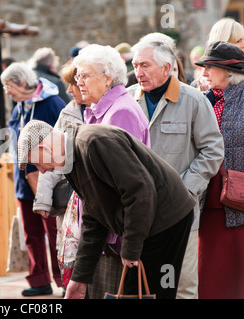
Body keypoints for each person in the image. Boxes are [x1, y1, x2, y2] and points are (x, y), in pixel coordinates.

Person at [17, 120, 196, 299]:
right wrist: (80, 278)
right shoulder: (75, 157)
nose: (41, 171)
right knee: (142, 291)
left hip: (169, 217)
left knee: (152, 290)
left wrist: (131, 247)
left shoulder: (93, 143)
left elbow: (140, 191)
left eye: (37, 163)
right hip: (155, 217)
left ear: (44, 149)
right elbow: (94, 215)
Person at [128, 40, 224, 299]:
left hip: (180, 214)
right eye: (136, 65)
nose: (138, 72)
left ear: (166, 67)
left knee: (180, 286)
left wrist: (184, 189)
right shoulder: (128, 100)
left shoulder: (193, 100)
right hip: (137, 214)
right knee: (143, 285)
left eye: (145, 65)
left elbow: (213, 151)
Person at [69, 43, 150, 298]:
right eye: (77, 75)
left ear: (106, 79)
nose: (78, 82)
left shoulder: (121, 112)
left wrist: (127, 244)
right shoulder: (99, 110)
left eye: (85, 75)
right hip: (103, 234)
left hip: (115, 239)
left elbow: (127, 185)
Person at [1, 62, 65, 296]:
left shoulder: (52, 103)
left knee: (55, 233)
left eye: (9, 85)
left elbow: (62, 140)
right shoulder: (19, 106)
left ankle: (65, 280)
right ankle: (39, 280)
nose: (7, 91)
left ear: (21, 82)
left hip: (48, 179)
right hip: (24, 182)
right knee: (32, 234)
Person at [194, 41, 244, 299]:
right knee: (209, 275)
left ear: (227, 71)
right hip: (207, 199)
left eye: (209, 67)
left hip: (240, 202)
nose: (203, 73)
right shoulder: (204, 99)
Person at [32, 60, 86, 291]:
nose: (69, 90)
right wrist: (43, 199)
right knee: (69, 253)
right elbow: (50, 159)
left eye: (72, 84)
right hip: (70, 200)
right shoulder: (68, 112)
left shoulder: (110, 111)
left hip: (94, 200)